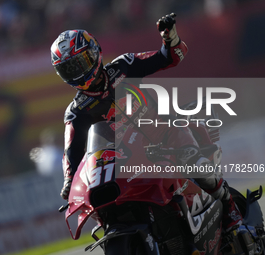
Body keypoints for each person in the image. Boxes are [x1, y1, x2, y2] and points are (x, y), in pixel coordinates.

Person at [50, 14, 242, 232]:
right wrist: (69, 183)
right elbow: (72, 153)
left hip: (164, 135)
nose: (78, 72)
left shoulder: (124, 66)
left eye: (79, 63)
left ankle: (231, 208)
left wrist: (170, 41)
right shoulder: (76, 112)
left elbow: (168, 58)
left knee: (194, 163)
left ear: (94, 53)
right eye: (69, 69)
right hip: (127, 160)